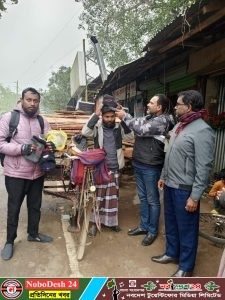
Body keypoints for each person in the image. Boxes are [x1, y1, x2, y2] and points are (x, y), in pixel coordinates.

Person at [151, 90, 215, 277]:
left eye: (179, 104)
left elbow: (204, 167)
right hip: (170, 184)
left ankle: (186, 267)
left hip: (185, 189)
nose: (176, 106)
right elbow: (169, 153)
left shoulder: (202, 130)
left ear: (188, 107)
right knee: (171, 223)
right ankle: (171, 253)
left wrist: (195, 197)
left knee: (187, 229)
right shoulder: (179, 125)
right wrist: (163, 175)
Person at [0, 87, 55, 261]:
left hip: (37, 172)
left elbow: (49, 140)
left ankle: (33, 234)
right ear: (22, 100)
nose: (32, 103)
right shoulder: (10, 118)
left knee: (35, 206)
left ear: (39, 102)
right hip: (15, 173)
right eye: (29, 100)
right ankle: (9, 241)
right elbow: (1, 144)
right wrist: (21, 148)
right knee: (14, 207)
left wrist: (51, 146)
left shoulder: (42, 121)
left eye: (35, 101)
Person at [116, 94, 173, 246]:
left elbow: (140, 128)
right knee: (142, 197)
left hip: (151, 166)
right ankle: (143, 226)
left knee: (152, 200)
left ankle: (152, 231)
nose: (148, 104)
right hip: (140, 162)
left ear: (159, 107)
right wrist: (126, 115)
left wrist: (125, 116)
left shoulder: (164, 120)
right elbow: (138, 122)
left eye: (151, 102)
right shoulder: (150, 117)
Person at [81, 94, 133, 235]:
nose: (109, 119)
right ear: (102, 117)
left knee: (113, 198)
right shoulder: (97, 127)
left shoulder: (118, 126)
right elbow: (85, 132)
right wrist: (95, 114)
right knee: (98, 196)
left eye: (111, 116)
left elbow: (130, 136)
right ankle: (94, 223)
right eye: (106, 117)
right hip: (100, 167)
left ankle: (111, 222)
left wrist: (123, 118)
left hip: (115, 167)